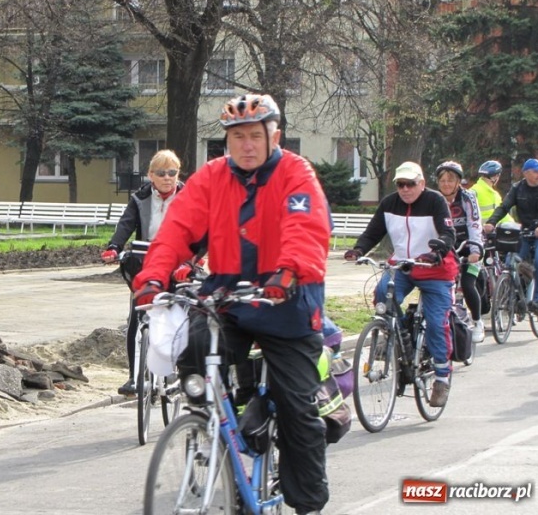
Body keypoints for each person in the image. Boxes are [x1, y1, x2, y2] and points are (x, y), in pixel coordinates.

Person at [133, 94, 331, 515]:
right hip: (227, 296)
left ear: (273, 135)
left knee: (297, 407)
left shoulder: (296, 173)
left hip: (287, 300)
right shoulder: (212, 176)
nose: (246, 145)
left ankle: (307, 503)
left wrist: (288, 271)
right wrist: (152, 277)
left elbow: (306, 226)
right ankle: (213, 435)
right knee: (195, 354)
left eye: (255, 136)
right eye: (237, 137)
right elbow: (177, 229)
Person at [344, 161, 457, 408]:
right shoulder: (389, 203)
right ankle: (397, 336)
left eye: (411, 184)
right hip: (403, 266)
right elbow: (373, 231)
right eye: (400, 184)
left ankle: (441, 375)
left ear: (422, 183)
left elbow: (448, 233)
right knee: (383, 293)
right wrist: (359, 249)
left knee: (437, 323)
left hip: (434, 269)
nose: (405, 189)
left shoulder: (435, 201)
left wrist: (437, 250)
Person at [101, 149, 188, 396]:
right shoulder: (140, 198)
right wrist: (113, 247)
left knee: (179, 319)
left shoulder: (188, 196)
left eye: (172, 172)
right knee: (136, 319)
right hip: (147, 261)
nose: (167, 177)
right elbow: (126, 223)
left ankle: (176, 375)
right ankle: (134, 377)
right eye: (161, 173)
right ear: (151, 175)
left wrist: (190, 262)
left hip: (179, 263)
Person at [483, 158, 538, 314]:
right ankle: (518, 299)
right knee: (511, 262)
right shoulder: (517, 188)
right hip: (524, 232)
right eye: (536, 171)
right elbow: (504, 207)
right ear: (526, 173)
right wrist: (491, 222)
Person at [434, 161, 485, 342]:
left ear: (458, 182)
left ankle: (478, 322)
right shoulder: (433, 198)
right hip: (447, 247)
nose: (446, 184)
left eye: (450, 180)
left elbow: (474, 224)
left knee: (467, 283)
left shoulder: (467, 198)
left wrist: (474, 250)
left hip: (469, 246)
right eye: (442, 180)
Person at [471, 160, 513, 225]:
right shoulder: (474, 192)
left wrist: (512, 224)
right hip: (480, 232)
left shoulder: (495, 194)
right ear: (494, 177)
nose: (498, 178)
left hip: (494, 231)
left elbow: (502, 214)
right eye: (498, 175)